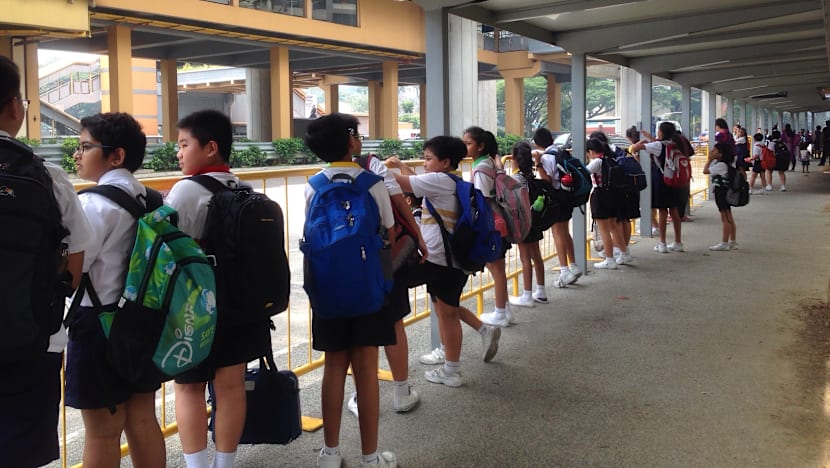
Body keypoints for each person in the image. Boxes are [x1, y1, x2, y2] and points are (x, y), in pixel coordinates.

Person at [166, 110, 273, 468]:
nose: (178, 153)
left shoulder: (185, 190)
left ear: (210, 148)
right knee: (230, 387)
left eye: (184, 144)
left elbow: (167, 248)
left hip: (195, 307)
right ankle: (224, 464)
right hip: (241, 304)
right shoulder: (244, 187)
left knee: (189, 387)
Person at [0, 56, 92, 468]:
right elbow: (74, 265)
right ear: (15, 107)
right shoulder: (48, 178)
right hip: (33, 343)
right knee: (22, 450)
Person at [65, 112, 166, 467]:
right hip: (141, 322)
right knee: (142, 419)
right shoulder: (152, 200)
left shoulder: (93, 204)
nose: (77, 155)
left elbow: (73, 272)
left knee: (102, 432)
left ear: (116, 155)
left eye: (85, 146)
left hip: (98, 327)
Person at [302, 113, 397, 468]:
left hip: (328, 291)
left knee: (333, 368)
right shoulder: (373, 183)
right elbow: (388, 232)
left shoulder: (312, 184)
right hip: (369, 288)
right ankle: (371, 457)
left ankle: (329, 453)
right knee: (366, 371)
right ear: (351, 142)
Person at [387, 137, 501, 388]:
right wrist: (400, 165)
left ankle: (452, 369)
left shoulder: (438, 181)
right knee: (445, 307)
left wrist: (376, 166)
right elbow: (414, 182)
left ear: (445, 162)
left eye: (428, 158)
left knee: (441, 310)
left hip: (439, 260)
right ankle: (481, 332)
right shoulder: (449, 180)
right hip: (451, 260)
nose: (424, 163)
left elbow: (402, 182)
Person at [465, 126, 513, 327]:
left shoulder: (482, 168)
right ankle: (505, 308)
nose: (465, 146)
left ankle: (501, 312)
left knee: (496, 268)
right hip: (498, 220)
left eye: (468, 143)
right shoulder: (488, 163)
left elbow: (482, 199)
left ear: (480, 146)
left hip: (491, 223)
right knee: (497, 267)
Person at [533, 127, 582, 289]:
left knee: (557, 233)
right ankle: (573, 265)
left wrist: (538, 164)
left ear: (536, 143)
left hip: (556, 198)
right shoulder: (560, 152)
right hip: (567, 196)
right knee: (565, 231)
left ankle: (564, 270)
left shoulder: (546, 157)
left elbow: (547, 180)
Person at [629, 122, 685, 253]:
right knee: (674, 210)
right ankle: (678, 242)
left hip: (662, 180)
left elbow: (637, 148)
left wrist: (635, 147)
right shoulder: (675, 144)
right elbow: (659, 146)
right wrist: (651, 139)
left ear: (661, 132)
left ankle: (662, 243)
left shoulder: (657, 145)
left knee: (662, 211)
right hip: (674, 180)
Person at [507, 141, 548, 307]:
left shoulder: (514, 178)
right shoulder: (530, 176)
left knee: (525, 258)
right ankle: (541, 291)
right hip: (535, 220)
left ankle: (527, 295)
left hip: (522, 223)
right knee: (536, 256)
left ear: (515, 158)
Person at [592, 130, 637, 265]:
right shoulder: (616, 151)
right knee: (622, 220)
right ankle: (624, 250)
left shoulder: (599, 159)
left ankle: (614, 253)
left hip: (608, 194)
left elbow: (585, 171)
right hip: (624, 190)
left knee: (610, 226)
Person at [585, 138, 625, 269]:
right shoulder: (610, 159)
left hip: (600, 196)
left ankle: (609, 259)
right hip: (613, 196)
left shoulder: (597, 161)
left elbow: (584, 173)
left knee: (604, 230)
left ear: (590, 151)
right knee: (613, 226)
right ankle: (624, 253)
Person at [703, 141, 737, 251]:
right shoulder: (727, 164)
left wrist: (709, 160)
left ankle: (724, 242)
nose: (711, 152)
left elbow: (705, 171)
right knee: (729, 216)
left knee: (725, 218)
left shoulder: (720, 165)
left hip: (721, 192)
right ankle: (732, 240)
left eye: (714, 151)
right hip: (726, 191)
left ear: (720, 154)